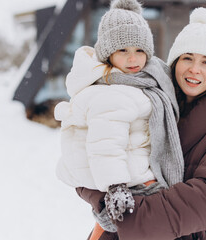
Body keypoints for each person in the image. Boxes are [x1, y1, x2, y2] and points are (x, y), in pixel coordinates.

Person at [76, 6, 206, 240]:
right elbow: (86, 156)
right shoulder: (141, 100)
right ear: (174, 62)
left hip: (182, 234)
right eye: (187, 58)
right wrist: (105, 200)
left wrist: (127, 217)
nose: (194, 69)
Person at [54, 0, 184, 237]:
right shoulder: (113, 92)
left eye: (139, 50)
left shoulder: (139, 83)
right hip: (126, 180)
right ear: (108, 54)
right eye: (123, 50)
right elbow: (105, 144)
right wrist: (115, 186)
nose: (133, 59)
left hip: (134, 173)